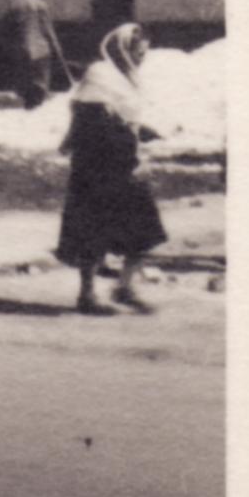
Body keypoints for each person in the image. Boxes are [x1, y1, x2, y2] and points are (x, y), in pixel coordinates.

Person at [56, 23, 166, 315]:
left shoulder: (126, 79)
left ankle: (125, 288)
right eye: (138, 53)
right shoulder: (100, 76)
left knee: (143, 229)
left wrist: (141, 131)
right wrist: (126, 151)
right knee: (92, 230)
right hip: (97, 166)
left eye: (144, 54)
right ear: (122, 49)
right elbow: (93, 122)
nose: (141, 59)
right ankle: (87, 295)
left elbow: (122, 118)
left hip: (123, 163)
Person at [1, 0, 67, 108]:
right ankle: (36, 102)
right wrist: (57, 49)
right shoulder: (41, 5)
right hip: (41, 49)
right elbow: (48, 30)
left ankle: (27, 101)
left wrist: (9, 45)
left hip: (21, 48)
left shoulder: (14, 6)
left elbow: (6, 28)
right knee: (40, 78)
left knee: (24, 76)